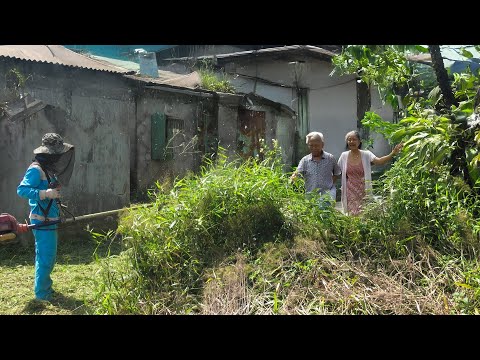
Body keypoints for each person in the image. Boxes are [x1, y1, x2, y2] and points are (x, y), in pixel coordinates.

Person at [17, 133, 74, 301]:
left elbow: (49, 191)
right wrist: (45, 193)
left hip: (49, 217)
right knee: (45, 256)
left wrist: (53, 191)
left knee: (49, 255)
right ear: (48, 153)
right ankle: (42, 294)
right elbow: (21, 190)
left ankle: (46, 287)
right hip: (41, 219)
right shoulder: (35, 169)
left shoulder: (48, 169)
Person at [337, 130, 403, 216]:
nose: (351, 142)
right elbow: (337, 171)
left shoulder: (366, 154)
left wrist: (392, 153)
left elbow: (379, 161)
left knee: (363, 212)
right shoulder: (344, 156)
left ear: (359, 141)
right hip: (349, 190)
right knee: (352, 214)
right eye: (349, 140)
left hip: (364, 189)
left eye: (354, 139)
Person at [290, 131, 341, 207]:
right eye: (311, 145)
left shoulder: (330, 158)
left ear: (322, 145)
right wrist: (293, 178)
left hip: (327, 194)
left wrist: (330, 184)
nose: (314, 148)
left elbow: (337, 173)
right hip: (311, 195)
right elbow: (297, 173)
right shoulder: (305, 160)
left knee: (325, 215)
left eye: (316, 145)